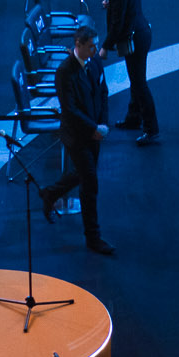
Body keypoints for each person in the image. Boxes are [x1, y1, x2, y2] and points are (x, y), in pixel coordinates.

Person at [40, 26, 115, 255]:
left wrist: (102, 124)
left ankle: (50, 193)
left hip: (95, 132)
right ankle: (93, 237)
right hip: (77, 136)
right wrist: (93, 128)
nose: (95, 50)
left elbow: (103, 92)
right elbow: (70, 110)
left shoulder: (95, 62)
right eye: (91, 46)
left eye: (96, 45)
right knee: (90, 182)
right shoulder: (65, 72)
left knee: (84, 173)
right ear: (78, 45)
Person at [100, 0, 156, 143]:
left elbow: (118, 25)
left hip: (135, 40)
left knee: (139, 84)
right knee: (136, 80)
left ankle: (151, 128)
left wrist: (105, 46)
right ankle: (134, 118)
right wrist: (112, 6)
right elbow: (128, 10)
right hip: (142, 34)